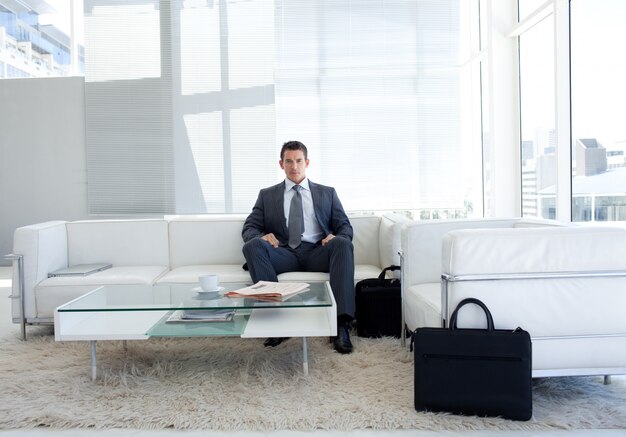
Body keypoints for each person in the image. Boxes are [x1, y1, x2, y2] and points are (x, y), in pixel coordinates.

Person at [242, 140, 355, 354]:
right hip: (284, 254)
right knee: (253, 246)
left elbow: (345, 226)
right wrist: (262, 236)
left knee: (342, 243)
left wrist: (334, 236)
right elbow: (250, 227)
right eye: (289, 161)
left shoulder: (327, 193)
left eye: (299, 161)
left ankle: (340, 325)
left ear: (307, 162)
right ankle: (276, 322)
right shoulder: (267, 195)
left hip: (316, 252)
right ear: (281, 164)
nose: (294, 166)